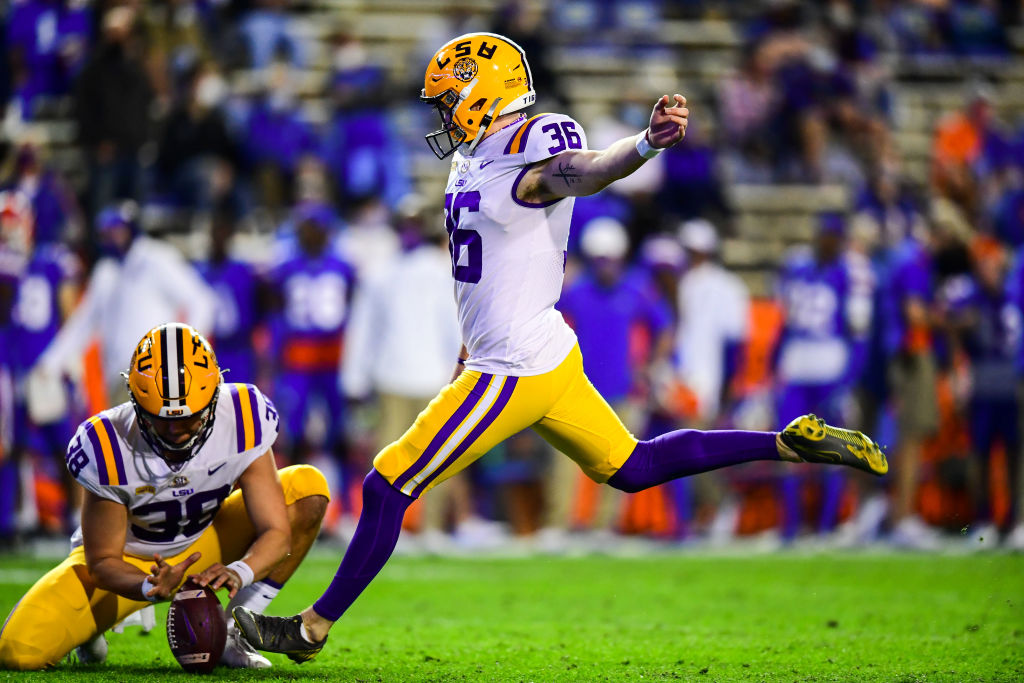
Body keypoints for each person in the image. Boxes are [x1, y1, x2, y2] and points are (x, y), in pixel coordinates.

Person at [233, 32, 888, 663]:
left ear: (482, 94)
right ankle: (786, 441)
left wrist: (641, 146)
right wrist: (467, 343)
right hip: (533, 349)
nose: (441, 115)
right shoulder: (476, 155)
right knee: (632, 466)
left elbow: (582, 171)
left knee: (386, 483)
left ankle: (311, 627)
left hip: (514, 364)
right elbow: (486, 269)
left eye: (447, 101)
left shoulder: (531, 148)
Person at [0, 323, 330, 670]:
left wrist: (239, 572)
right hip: (126, 564)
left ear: (214, 397)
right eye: (160, 419)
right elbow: (102, 562)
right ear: (135, 401)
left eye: (189, 418)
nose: (175, 431)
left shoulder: (243, 415)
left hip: (204, 541)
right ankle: (91, 628)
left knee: (305, 488)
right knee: (18, 651)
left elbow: (276, 531)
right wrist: (147, 584)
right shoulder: (108, 442)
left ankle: (235, 631)